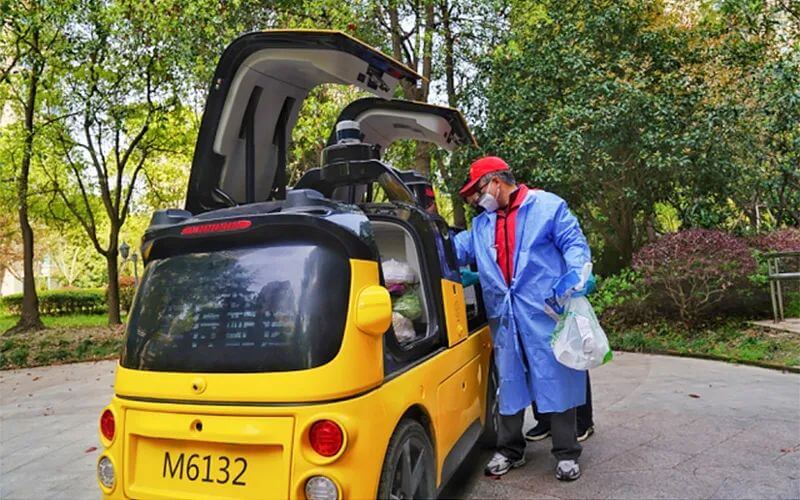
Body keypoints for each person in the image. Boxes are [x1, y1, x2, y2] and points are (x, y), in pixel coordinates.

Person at [453, 156, 592, 481]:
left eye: (478, 191)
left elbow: (573, 242)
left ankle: (566, 453)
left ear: (495, 182)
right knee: (509, 381)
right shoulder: (482, 225)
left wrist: (578, 273)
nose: (476, 199)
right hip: (506, 317)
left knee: (557, 376)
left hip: (544, 311)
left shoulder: (547, 207)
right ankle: (510, 450)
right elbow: (455, 249)